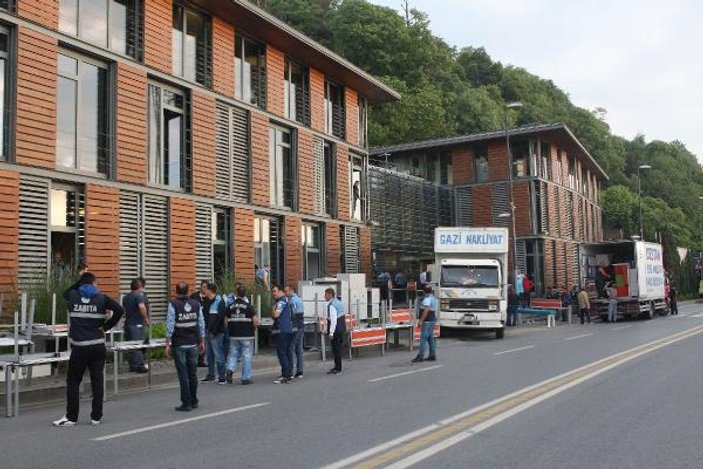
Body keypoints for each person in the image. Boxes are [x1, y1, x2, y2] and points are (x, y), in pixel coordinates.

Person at [53, 272, 124, 427]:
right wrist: (106, 327)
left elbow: (65, 292)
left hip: (80, 347)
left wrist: (79, 282)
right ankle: (96, 417)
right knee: (97, 380)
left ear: (80, 284)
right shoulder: (102, 298)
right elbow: (119, 310)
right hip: (98, 346)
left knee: (73, 381)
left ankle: (72, 417)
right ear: (94, 283)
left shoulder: (72, 295)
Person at [165, 283, 205, 412]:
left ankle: (186, 403)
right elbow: (201, 323)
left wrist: (167, 343)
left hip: (179, 344)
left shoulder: (173, 304)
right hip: (193, 344)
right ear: (188, 291)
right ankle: (194, 401)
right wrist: (202, 341)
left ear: (176, 291)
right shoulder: (196, 304)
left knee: (183, 375)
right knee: (192, 374)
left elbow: (170, 324)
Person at [225, 286, 259, 385]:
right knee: (246, 356)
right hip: (246, 335)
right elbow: (255, 321)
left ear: (236, 293)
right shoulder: (249, 306)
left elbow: (225, 322)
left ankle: (230, 370)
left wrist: (231, 329)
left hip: (234, 335)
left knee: (233, 354)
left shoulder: (230, 306)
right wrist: (253, 329)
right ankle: (245, 378)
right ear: (245, 294)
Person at [202, 282, 228, 384]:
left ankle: (222, 376)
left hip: (216, 332)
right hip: (208, 330)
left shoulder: (219, 301)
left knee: (219, 355)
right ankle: (211, 375)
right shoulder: (207, 301)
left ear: (209, 290)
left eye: (205, 288)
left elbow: (220, 318)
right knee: (209, 355)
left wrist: (214, 331)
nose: (203, 290)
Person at [123, 278, 149, 373]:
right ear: (139, 286)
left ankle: (132, 366)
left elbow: (124, 312)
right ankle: (139, 366)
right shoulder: (139, 295)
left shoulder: (126, 297)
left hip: (128, 324)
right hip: (137, 324)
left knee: (130, 346)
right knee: (139, 345)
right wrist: (146, 318)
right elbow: (141, 307)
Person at [271, 284, 295, 383]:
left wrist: (273, 310)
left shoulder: (281, 302)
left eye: (275, 291)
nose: (273, 294)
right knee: (288, 352)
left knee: (282, 353)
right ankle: (288, 373)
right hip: (290, 329)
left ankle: (286, 375)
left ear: (280, 291)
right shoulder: (289, 301)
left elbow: (276, 314)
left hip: (283, 330)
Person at [412, 285, 437, 362]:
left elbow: (426, 311)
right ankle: (432, 355)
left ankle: (420, 355)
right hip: (432, 319)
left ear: (424, 291)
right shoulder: (433, 298)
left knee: (423, 338)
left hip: (427, 320)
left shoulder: (427, 299)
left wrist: (421, 321)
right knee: (430, 338)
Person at [285, 285, 305, 379]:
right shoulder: (299, 299)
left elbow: (291, 314)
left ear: (291, 290)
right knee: (299, 348)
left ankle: (290, 371)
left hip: (295, 325)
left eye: (287, 291)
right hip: (301, 324)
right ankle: (300, 371)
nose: (285, 293)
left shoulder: (291, 301)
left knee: (291, 348)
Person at [325, 287, 346, 375]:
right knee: (338, 348)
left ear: (330, 295)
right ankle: (338, 366)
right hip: (341, 327)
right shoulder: (339, 302)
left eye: (325, 294)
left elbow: (333, 320)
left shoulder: (332, 305)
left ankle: (337, 367)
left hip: (336, 329)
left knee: (335, 349)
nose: (324, 296)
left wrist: (331, 332)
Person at [191, 280, 209, 367]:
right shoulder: (194, 296)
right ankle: (193, 359)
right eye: (203, 287)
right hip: (195, 321)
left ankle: (201, 360)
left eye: (206, 287)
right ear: (201, 287)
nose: (204, 289)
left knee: (203, 341)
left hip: (205, 322)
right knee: (195, 341)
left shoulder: (209, 297)